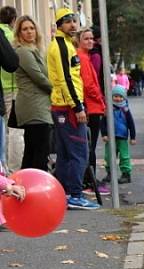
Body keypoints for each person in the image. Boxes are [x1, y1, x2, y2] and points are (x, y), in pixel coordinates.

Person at [47, 7, 98, 210]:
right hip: (67, 107)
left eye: (74, 20)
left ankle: (66, 194)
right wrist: (77, 106)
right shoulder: (60, 46)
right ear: (59, 25)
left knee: (66, 153)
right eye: (67, 21)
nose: (72, 24)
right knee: (79, 152)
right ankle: (75, 194)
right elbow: (66, 78)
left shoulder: (66, 44)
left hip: (63, 105)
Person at [13, 15, 52, 172]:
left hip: (40, 105)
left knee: (34, 152)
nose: (29, 32)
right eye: (25, 29)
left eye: (32, 28)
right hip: (33, 107)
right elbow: (40, 78)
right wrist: (59, 92)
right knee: (38, 154)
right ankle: (34, 191)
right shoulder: (23, 52)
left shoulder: (36, 50)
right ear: (19, 33)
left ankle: (26, 190)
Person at [75, 28, 107, 194]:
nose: (90, 41)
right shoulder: (82, 57)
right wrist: (101, 100)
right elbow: (88, 85)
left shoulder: (85, 57)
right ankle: (90, 181)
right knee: (90, 146)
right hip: (91, 107)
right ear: (79, 41)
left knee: (89, 145)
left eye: (91, 39)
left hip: (92, 106)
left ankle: (89, 179)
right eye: (86, 38)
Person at [101, 85, 136, 184]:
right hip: (110, 137)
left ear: (124, 98)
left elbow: (131, 123)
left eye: (120, 97)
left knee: (124, 156)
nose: (118, 98)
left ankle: (126, 174)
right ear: (111, 97)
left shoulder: (125, 110)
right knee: (109, 156)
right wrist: (104, 134)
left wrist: (133, 137)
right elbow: (103, 122)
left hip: (122, 137)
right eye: (115, 96)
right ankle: (110, 173)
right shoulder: (108, 109)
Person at [0, 6, 21, 171]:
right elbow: (13, 62)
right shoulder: (9, 35)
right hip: (11, 88)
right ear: (14, 20)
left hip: (4, 88)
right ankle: (13, 170)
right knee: (14, 131)